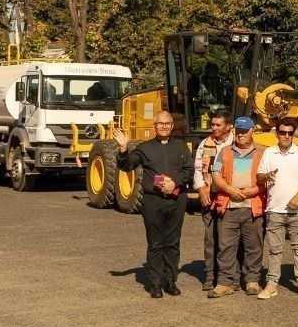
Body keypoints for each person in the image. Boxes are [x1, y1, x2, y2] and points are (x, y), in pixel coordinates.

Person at [114, 111, 193, 298]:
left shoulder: (181, 147)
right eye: (160, 123)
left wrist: (176, 182)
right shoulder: (145, 148)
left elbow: (189, 170)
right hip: (153, 202)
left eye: (168, 123)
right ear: (154, 126)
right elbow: (126, 166)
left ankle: (170, 281)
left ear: (172, 126)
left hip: (176, 200)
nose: (164, 126)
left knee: (173, 243)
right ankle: (155, 283)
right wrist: (124, 148)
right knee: (156, 243)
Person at [256, 117, 298, 299]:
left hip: (297, 210)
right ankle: (272, 284)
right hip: (275, 210)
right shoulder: (269, 153)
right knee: (275, 249)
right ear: (277, 134)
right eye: (283, 132)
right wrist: (266, 176)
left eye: (290, 133)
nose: (287, 136)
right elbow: (259, 177)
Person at [208, 116, 267, 298]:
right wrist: (229, 190)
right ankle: (225, 282)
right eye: (238, 131)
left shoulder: (263, 152)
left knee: (254, 246)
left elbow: (268, 179)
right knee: (225, 246)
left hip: (253, 207)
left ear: (252, 131)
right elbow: (216, 175)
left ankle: (252, 281)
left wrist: (252, 191)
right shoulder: (225, 151)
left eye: (245, 131)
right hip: (229, 206)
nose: (241, 135)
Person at [193, 109, 233, 291]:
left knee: (228, 240)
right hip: (208, 197)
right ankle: (210, 276)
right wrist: (200, 189)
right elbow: (197, 169)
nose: (214, 128)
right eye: (213, 124)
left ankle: (229, 277)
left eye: (218, 125)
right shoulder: (205, 143)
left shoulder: (236, 143)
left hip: (228, 198)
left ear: (228, 126)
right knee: (210, 239)